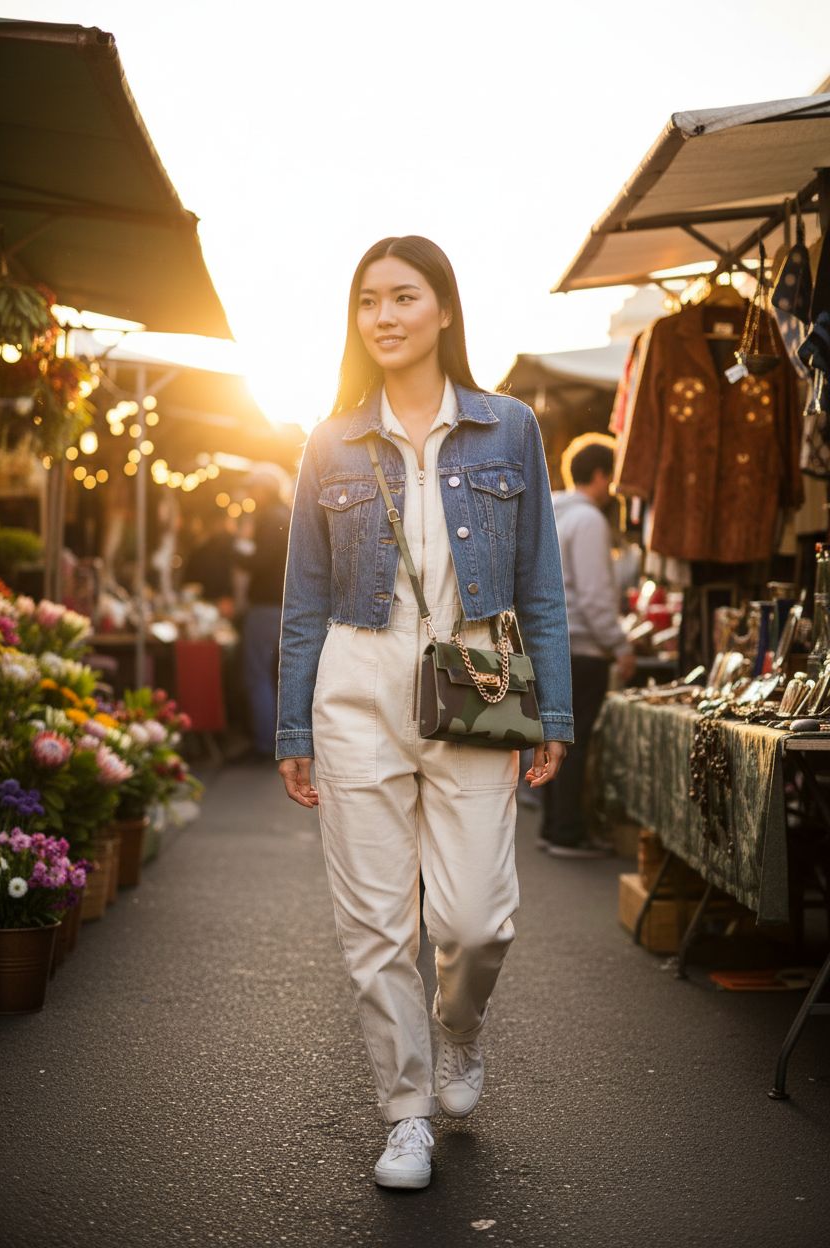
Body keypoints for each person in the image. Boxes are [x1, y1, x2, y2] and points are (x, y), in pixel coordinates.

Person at [276, 236, 573, 1191]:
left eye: (404, 297)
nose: (385, 317)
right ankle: (404, 1114)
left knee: (476, 920)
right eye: (368, 302)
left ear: (444, 308)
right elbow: (304, 599)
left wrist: (554, 711)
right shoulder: (329, 439)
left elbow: (541, 587)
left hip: (477, 675)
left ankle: (460, 1031)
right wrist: (294, 729)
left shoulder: (509, 426)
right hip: (356, 683)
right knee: (373, 927)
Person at [539, 434, 635, 859]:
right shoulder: (590, 520)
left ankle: (552, 827)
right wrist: (620, 645)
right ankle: (567, 832)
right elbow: (596, 596)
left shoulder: (550, 514)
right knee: (574, 742)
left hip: (551, 643)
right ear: (600, 476)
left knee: (551, 736)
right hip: (584, 647)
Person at [235, 470, 291, 761]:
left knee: (257, 673)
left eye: (253, 489)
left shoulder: (271, 519)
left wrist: (236, 551)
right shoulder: (285, 515)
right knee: (271, 673)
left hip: (267, 605)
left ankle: (264, 743)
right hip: (280, 604)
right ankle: (273, 738)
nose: (249, 495)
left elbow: (260, 560)